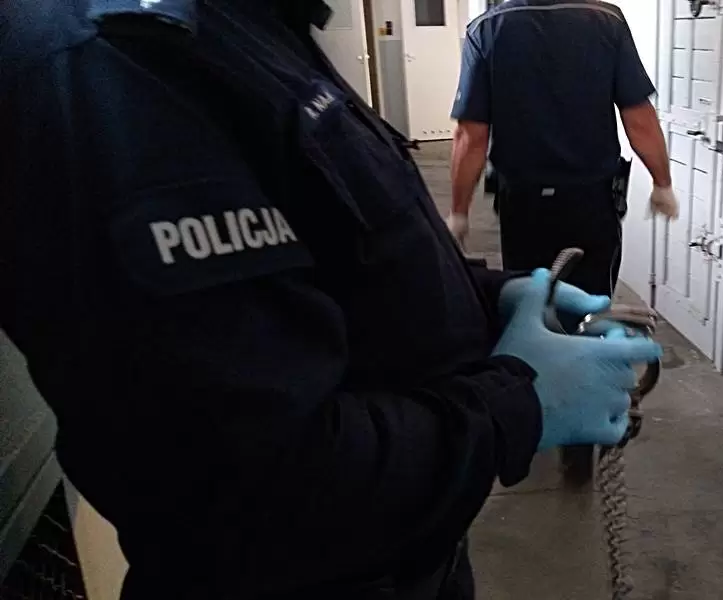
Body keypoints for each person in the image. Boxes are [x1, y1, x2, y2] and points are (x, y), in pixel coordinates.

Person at [0, 0, 662, 598]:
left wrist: (492, 297)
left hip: (415, 555)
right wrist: (519, 401)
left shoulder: (251, 27)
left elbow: (340, 254)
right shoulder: (116, 62)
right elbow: (260, 488)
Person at [446, 0, 678, 487]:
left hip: (524, 203)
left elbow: (471, 134)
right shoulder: (606, 21)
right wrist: (662, 182)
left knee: (532, 307)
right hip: (590, 203)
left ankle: (534, 419)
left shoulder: (487, 29)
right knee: (591, 309)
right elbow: (638, 116)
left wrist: (459, 211)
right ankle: (583, 442)